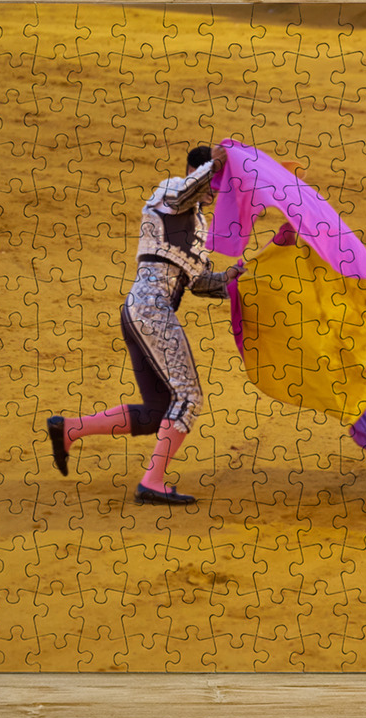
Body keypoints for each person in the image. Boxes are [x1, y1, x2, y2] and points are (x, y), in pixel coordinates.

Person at [46, 144, 242, 505]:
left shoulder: (198, 226)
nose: (217, 190)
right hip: (151, 310)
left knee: (156, 410)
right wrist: (216, 165)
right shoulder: (169, 189)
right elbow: (186, 193)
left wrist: (233, 277)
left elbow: (198, 283)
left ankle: (70, 429)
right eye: (216, 182)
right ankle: (152, 481)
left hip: (142, 311)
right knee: (189, 396)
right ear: (199, 171)